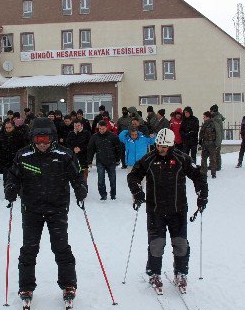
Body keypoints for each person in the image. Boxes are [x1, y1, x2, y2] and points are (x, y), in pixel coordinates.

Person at [4, 118, 87, 301]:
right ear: (32, 138)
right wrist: (10, 188)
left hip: (57, 209)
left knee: (61, 247)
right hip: (31, 209)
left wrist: (80, 188)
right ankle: (26, 286)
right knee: (29, 249)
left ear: (53, 139)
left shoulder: (64, 155)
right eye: (38, 140)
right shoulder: (23, 155)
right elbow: (12, 176)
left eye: (46, 140)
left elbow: (78, 174)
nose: (42, 144)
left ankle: (68, 284)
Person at [127, 128, 208, 289]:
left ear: (171, 145)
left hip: (178, 209)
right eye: (158, 145)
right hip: (155, 209)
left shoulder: (181, 158)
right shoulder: (149, 159)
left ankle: (180, 273)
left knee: (180, 243)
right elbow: (133, 175)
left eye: (164, 146)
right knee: (157, 243)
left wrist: (202, 195)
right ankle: (154, 273)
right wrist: (137, 191)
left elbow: (198, 175)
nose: (160, 149)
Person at [88, 121, 122, 200]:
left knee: (112, 179)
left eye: (103, 129)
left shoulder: (113, 136)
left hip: (111, 161)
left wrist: (117, 159)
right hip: (100, 161)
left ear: (106, 128)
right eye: (100, 129)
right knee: (100, 180)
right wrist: (89, 161)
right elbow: (90, 149)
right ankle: (103, 195)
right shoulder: (94, 137)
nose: (101, 130)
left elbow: (118, 148)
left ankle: (113, 194)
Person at [198, 111, 219, 178]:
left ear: (208, 117)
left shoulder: (213, 124)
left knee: (212, 159)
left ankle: (213, 173)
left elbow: (218, 134)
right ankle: (204, 172)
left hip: (212, 143)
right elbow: (201, 133)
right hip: (205, 143)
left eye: (204, 117)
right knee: (203, 158)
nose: (203, 118)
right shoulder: (204, 124)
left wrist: (216, 143)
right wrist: (200, 141)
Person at [210, 105, 225, 171]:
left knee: (216, 152)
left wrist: (217, 142)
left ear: (213, 111)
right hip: (216, 139)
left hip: (217, 139)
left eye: (211, 111)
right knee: (215, 152)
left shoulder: (216, 119)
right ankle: (214, 165)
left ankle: (217, 166)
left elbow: (218, 132)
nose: (210, 112)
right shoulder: (216, 118)